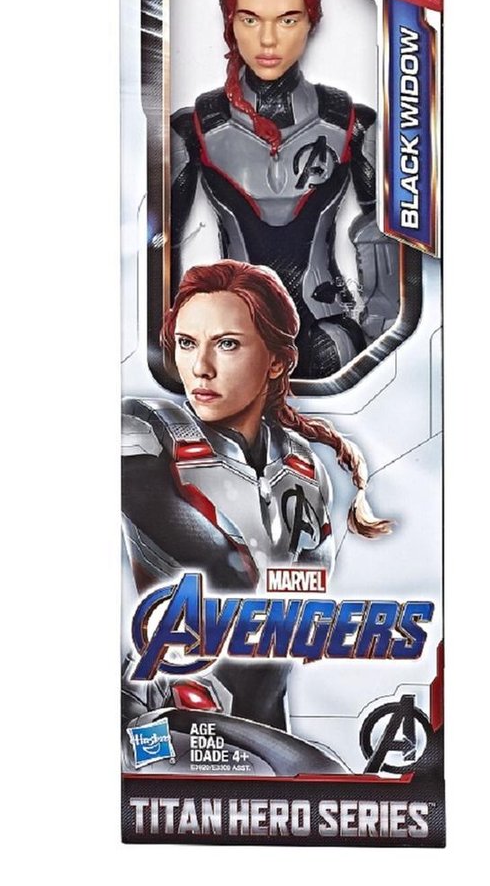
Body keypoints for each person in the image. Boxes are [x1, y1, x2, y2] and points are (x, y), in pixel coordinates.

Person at [122, 260, 391, 728]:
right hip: (164, 706)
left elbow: (292, 628)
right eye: (186, 343)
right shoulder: (148, 429)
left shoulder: (304, 466)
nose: (200, 368)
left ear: (277, 361)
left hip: (260, 712)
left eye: (226, 344)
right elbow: (218, 570)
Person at [169, 0, 400, 380]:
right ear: (230, 24)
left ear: (312, 22)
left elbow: (385, 235)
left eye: (288, 20)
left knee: (330, 351)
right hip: (232, 336)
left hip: (327, 330)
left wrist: (385, 335)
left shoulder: (351, 123)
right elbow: (159, 245)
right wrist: (172, 335)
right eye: (250, 20)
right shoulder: (195, 127)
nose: (268, 40)